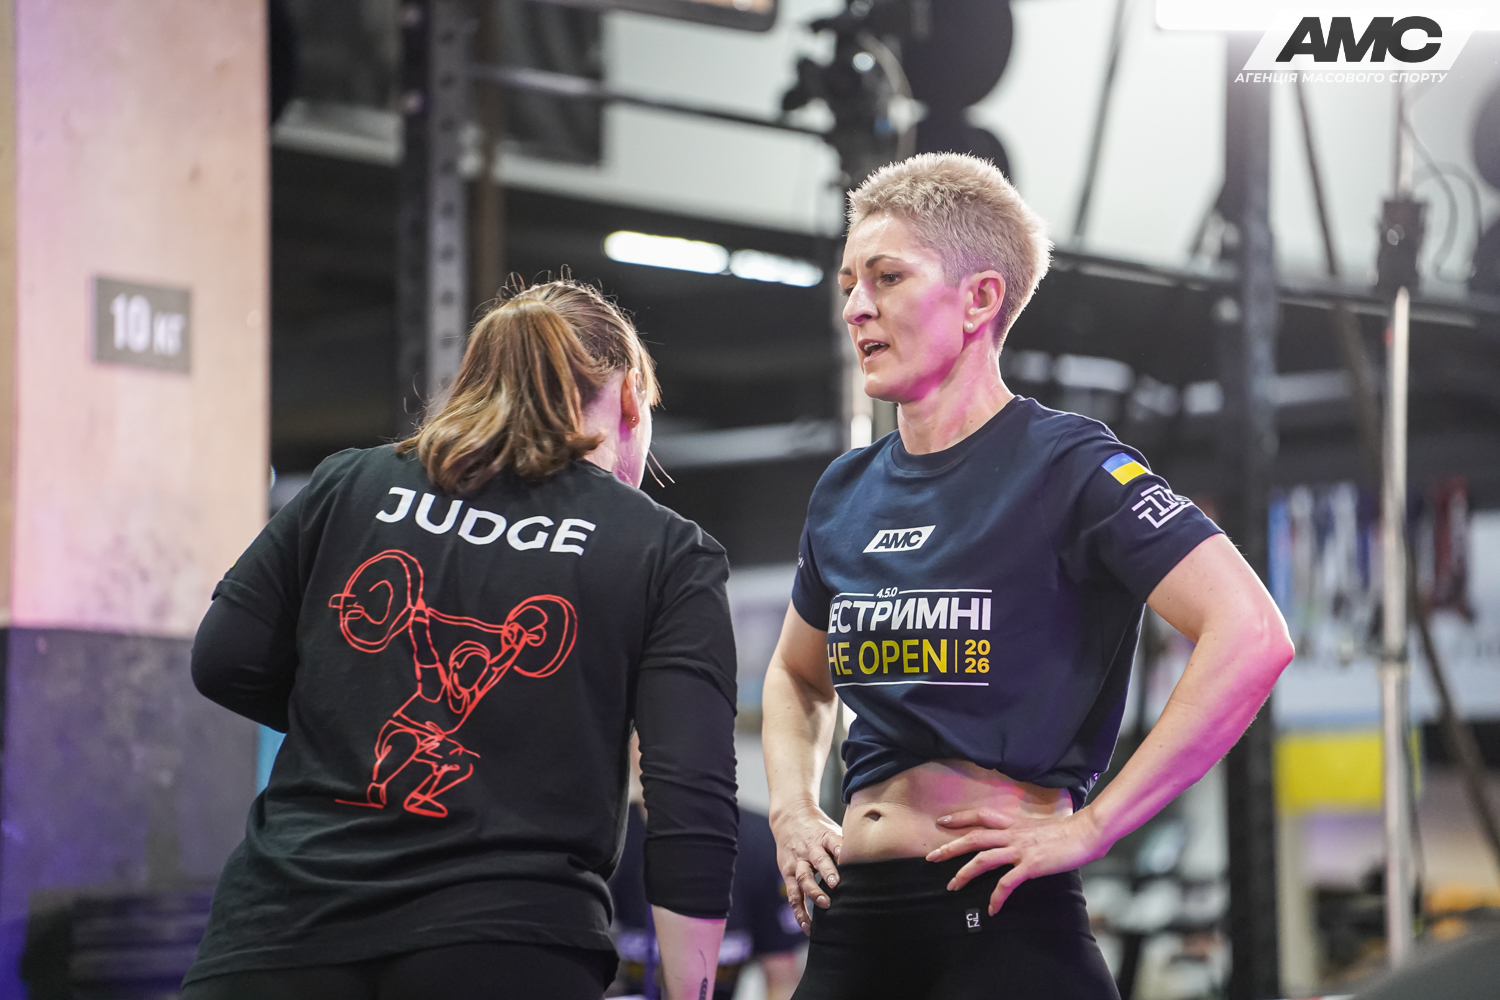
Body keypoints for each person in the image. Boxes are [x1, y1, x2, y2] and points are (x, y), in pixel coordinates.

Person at [761, 153, 1295, 1000]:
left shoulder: (1067, 465)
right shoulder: (846, 490)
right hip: (853, 924)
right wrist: (791, 807)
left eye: (888, 277)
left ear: (979, 299)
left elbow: (1253, 634)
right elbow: (797, 674)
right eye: (850, 283)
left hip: (1003, 919)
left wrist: (1096, 826)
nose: (857, 306)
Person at [182, 279, 739, 1000]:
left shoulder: (348, 484)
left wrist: (348, 717)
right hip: (507, 941)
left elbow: (223, 660)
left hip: (278, 932)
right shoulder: (664, 549)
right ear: (631, 397)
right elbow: (690, 798)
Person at [608, 736, 805, 1000]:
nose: (668, 754)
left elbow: (782, 977)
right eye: (646, 735)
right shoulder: (604, 840)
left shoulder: (761, 844)